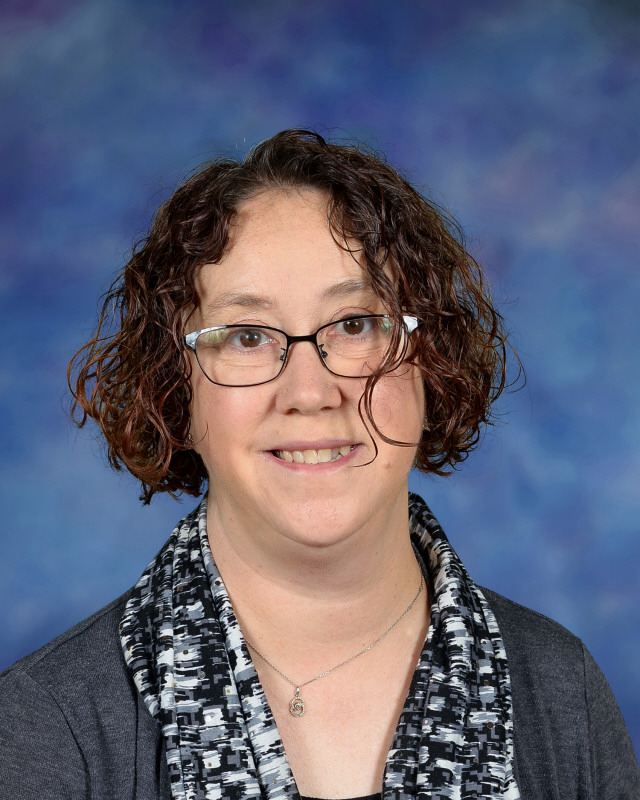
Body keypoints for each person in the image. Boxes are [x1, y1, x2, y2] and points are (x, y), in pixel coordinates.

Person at [0, 129, 637, 800]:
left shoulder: (562, 694)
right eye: (247, 336)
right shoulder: (46, 728)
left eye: (355, 324)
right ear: (175, 393)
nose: (309, 391)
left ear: (432, 363)